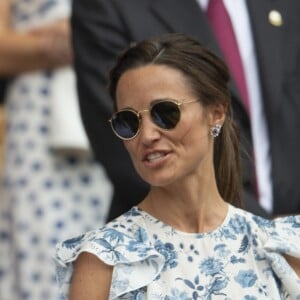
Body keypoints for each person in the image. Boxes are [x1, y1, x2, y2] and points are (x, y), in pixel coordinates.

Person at [55, 33, 300, 300]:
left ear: (216, 113)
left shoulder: (279, 249)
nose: (147, 135)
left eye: (165, 112)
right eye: (128, 121)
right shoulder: (104, 260)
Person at [71, 0, 300, 220]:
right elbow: (125, 147)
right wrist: (267, 237)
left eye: (165, 113)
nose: (149, 132)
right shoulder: (109, 5)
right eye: (167, 112)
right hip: (169, 244)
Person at [0, 0, 112, 299]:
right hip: (38, 133)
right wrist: (74, 43)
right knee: (43, 256)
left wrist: (84, 37)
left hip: (108, 117)